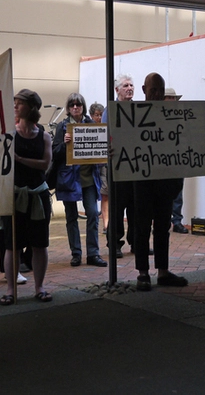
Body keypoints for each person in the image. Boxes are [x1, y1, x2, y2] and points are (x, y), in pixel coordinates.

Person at [132, 73, 188, 291]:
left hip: (165, 180)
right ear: (144, 89)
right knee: (142, 225)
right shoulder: (132, 116)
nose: (156, 94)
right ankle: (143, 273)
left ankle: (162, 271)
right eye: (153, 89)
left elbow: (183, 141)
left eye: (160, 90)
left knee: (163, 226)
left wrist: (200, 147)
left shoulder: (172, 116)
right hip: (143, 180)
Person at [0, 89, 52, 305]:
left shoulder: (44, 136)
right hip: (15, 197)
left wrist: (20, 159)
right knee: (13, 245)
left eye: (20, 103)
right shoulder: (9, 135)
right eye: (15, 102)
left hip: (37, 196)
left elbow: (45, 164)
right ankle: (11, 290)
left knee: (40, 244)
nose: (15, 106)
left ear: (31, 107)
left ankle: (39, 287)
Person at [52, 93, 107, 268]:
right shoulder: (62, 127)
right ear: (68, 108)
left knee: (92, 214)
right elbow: (55, 153)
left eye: (78, 104)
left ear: (83, 106)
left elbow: (100, 148)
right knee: (71, 217)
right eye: (72, 105)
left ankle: (93, 253)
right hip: (69, 179)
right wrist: (64, 144)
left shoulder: (91, 125)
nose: (75, 107)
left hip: (88, 178)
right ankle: (76, 253)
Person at [103, 74, 136, 258]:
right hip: (117, 167)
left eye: (131, 85)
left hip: (136, 166)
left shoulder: (138, 109)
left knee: (136, 208)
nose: (129, 88)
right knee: (116, 209)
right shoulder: (111, 110)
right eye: (125, 85)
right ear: (117, 90)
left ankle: (136, 242)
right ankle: (114, 244)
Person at [165, 88, 188, 234]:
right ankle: (167, 220)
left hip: (178, 158)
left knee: (177, 192)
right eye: (168, 98)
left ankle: (176, 220)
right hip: (163, 160)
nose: (170, 101)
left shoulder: (181, 117)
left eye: (172, 98)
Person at [89, 102, 108, 235]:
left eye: (101, 115)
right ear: (91, 116)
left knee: (106, 195)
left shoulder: (106, 128)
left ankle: (106, 224)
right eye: (96, 115)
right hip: (94, 167)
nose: (99, 118)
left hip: (104, 165)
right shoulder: (88, 129)